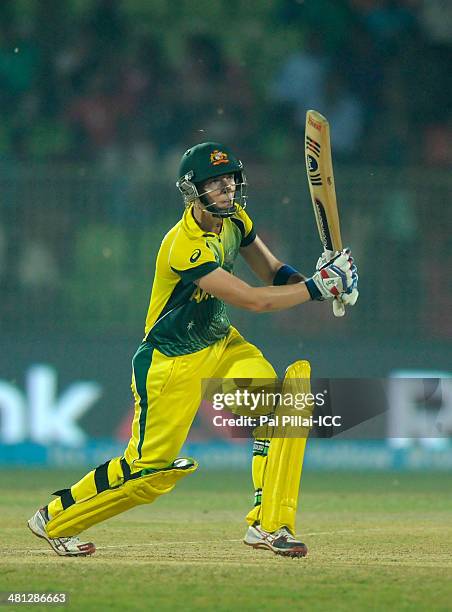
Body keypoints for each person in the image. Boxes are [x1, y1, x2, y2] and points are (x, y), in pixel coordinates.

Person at [28, 142, 358, 558]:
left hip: (222, 344)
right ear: (192, 192)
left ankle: (269, 525)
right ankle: (54, 516)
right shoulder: (185, 245)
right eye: (216, 184)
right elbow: (253, 300)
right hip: (171, 363)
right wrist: (316, 289)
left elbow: (272, 272)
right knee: (147, 472)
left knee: (285, 404)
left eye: (231, 181)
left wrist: (323, 278)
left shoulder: (236, 219)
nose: (227, 191)